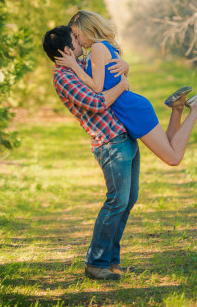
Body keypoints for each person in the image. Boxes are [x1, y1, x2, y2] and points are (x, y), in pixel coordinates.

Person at [55, 10, 197, 167]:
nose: (76, 40)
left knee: (173, 159)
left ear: (87, 29)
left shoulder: (97, 48)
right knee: (168, 143)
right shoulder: (103, 48)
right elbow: (115, 78)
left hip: (130, 110)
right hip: (131, 106)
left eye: (77, 35)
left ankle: (196, 107)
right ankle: (177, 107)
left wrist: (74, 66)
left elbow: (97, 88)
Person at [43, 25, 139, 280]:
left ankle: (111, 261)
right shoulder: (63, 77)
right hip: (109, 142)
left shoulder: (79, 64)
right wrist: (123, 85)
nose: (81, 41)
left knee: (127, 200)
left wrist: (125, 66)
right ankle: (96, 263)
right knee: (116, 201)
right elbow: (97, 103)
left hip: (123, 135)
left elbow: (108, 58)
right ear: (66, 50)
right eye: (76, 39)